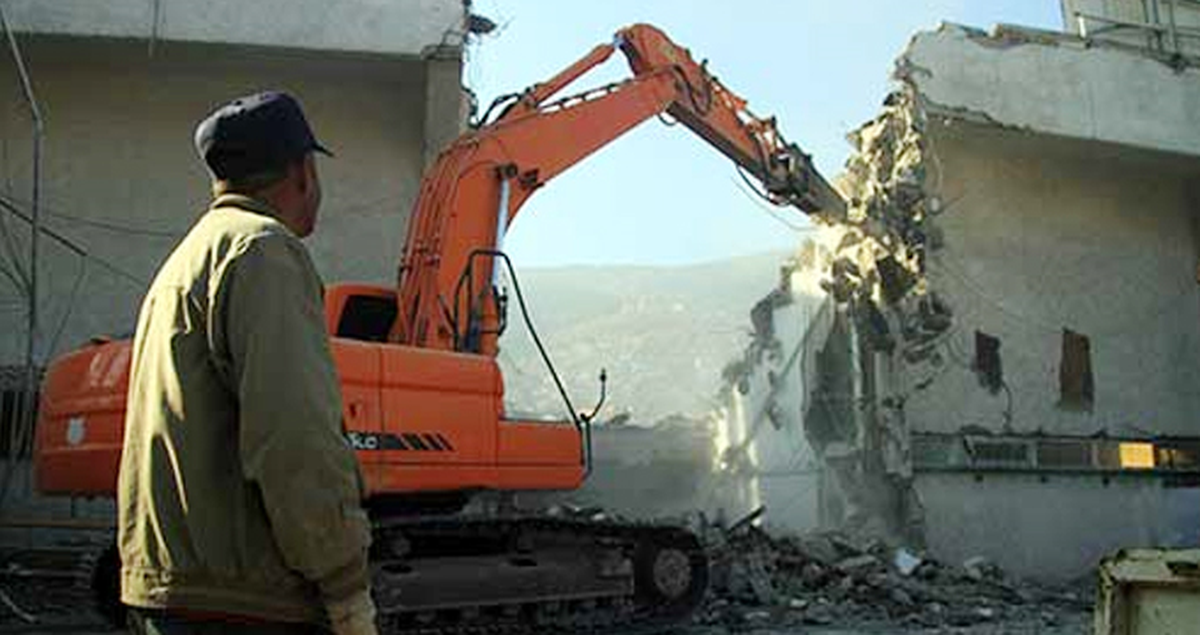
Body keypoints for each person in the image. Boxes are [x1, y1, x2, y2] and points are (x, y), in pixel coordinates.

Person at [117, 91, 378, 635]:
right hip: (245, 600)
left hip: (171, 588)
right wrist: (344, 578)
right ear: (302, 171)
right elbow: (294, 436)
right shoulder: (264, 251)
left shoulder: (184, 262)